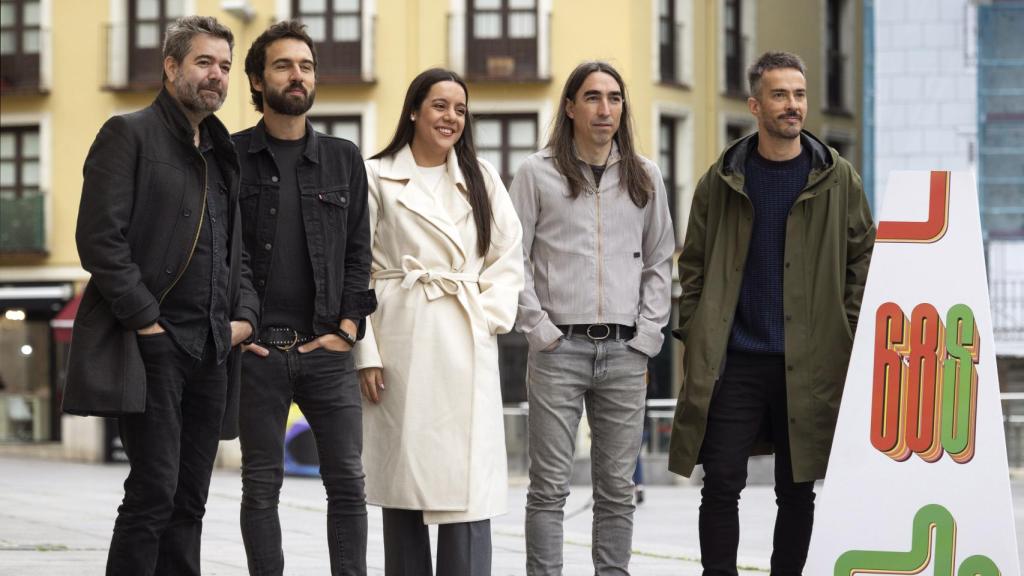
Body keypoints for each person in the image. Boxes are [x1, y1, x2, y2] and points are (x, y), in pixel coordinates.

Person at [668, 51, 875, 575]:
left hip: (809, 361)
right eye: (780, 95)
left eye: (799, 95)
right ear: (755, 105)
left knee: (797, 489)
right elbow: (692, 263)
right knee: (719, 484)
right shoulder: (722, 179)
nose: (793, 106)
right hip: (735, 359)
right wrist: (698, 326)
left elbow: (863, 256)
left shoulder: (837, 177)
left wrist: (844, 324)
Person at [65, 15, 259, 576]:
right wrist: (147, 321)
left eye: (224, 66)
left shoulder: (224, 154)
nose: (216, 76)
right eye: (204, 62)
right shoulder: (127, 134)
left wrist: (242, 316)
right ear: (171, 66)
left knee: (190, 500)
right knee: (153, 492)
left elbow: (235, 252)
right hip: (154, 346)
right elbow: (99, 240)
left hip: (213, 349)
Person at [354, 68, 524, 575]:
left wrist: (486, 315)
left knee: (468, 491)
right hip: (401, 339)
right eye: (439, 106)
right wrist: (366, 354)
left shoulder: (481, 177)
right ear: (413, 110)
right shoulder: (376, 174)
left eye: (460, 109)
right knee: (402, 486)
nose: (451, 117)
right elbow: (355, 267)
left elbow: (508, 255)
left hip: (464, 339)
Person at [511, 61, 675, 575]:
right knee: (549, 490)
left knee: (617, 491)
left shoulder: (644, 175)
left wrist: (648, 335)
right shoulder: (536, 173)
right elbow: (512, 257)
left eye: (614, 98)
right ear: (570, 107)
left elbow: (659, 258)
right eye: (592, 97)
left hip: (626, 352)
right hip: (559, 349)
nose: (605, 109)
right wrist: (539, 330)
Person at [232, 21, 376, 576]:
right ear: (257, 79)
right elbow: (225, 254)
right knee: (260, 485)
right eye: (284, 65)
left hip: (326, 352)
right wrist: (240, 329)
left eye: (306, 66)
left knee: (347, 483)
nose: (298, 76)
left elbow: (359, 253)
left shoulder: (343, 159)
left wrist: (346, 329)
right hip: (258, 352)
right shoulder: (231, 156)